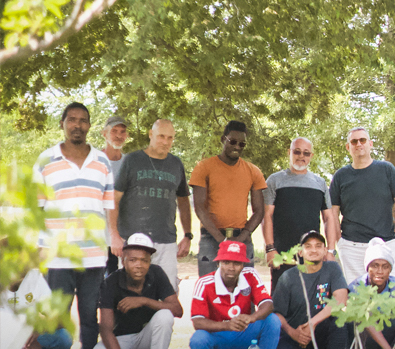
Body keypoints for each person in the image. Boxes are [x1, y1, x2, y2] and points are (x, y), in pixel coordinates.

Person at [33, 102, 117, 349]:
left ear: (89, 125)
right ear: (63, 124)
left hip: (94, 256)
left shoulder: (102, 162)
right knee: (59, 321)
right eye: (72, 120)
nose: (77, 125)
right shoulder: (46, 161)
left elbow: (109, 208)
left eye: (83, 120)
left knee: (89, 318)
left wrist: (113, 239)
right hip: (57, 256)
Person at [91, 233, 183, 349]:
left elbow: (177, 310)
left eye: (144, 260)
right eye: (133, 260)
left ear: (149, 261)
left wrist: (144, 301)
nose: (138, 265)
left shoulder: (156, 273)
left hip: (148, 341)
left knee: (165, 316)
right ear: (124, 260)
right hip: (123, 342)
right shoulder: (111, 282)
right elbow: (106, 329)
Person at [189, 240, 281, 349]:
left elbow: (267, 304)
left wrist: (252, 317)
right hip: (218, 337)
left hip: (243, 334)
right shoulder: (204, 283)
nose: (231, 268)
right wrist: (226, 325)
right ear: (218, 263)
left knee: (272, 321)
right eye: (226, 262)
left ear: (243, 265)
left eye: (236, 263)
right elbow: (197, 322)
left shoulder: (250, 275)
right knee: (198, 340)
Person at [111, 119, 192, 286]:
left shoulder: (176, 164)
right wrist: (114, 235)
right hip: (134, 240)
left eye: (170, 138)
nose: (166, 141)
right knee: (130, 294)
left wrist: (188, 235)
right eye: (161, 136)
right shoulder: (132, 161)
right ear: (151, 134)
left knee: (167, 294)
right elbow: (114, 200)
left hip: (166, 241)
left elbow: (183, 201)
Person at [189, 120, 267, 277]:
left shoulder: (253, 171)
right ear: (223, 139)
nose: (237, 147)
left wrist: (242, 237)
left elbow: (259, 211)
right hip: (210, 238)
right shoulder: (204, 167)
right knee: (208, 290)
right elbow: (200, 208)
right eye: (232, 141)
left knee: (244, 293)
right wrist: (221, 239)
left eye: (242, 144)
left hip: (242, 238)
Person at [270, 230, 348, 349]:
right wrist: (293, 333)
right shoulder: (288, 277)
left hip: (320, 332)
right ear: (300, 252)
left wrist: (312, 323)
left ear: (325, 251)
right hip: (294, 334)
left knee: (341, 322)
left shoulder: (332, 268)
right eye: (308, 246)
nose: (314, 250)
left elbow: (340, 300)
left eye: (319, 246)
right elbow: (277, 313)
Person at [330, 128, 395, 283]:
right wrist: (340, 242)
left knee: (394, 294)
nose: (359, 144)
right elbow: (333, 212)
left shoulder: (387, 169)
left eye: (362, 140)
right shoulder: (340, 176)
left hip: (387, 242)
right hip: (352, 247)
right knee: (358, 298)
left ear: (370, 144)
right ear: (348, 147)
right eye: (354, 141)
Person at [262, 137, 339, 289]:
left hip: (312, 253)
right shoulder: (274, 181)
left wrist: (330, 251)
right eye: (297, 152)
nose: (301, 156)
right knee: (281, 301)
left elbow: (329, 218)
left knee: (311, 300)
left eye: (306, 153)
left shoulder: (320, 183)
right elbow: (266, 216)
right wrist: (270, 249)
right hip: (282, 254)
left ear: (311, 156)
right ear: (289, 152)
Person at [101, 115, 129, 278]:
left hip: (122, 237)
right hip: (97, 237)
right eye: (114, 131)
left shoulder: (129, 163)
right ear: (104, 134)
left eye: (122, 132)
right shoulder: (94, 161)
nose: (119, 135)